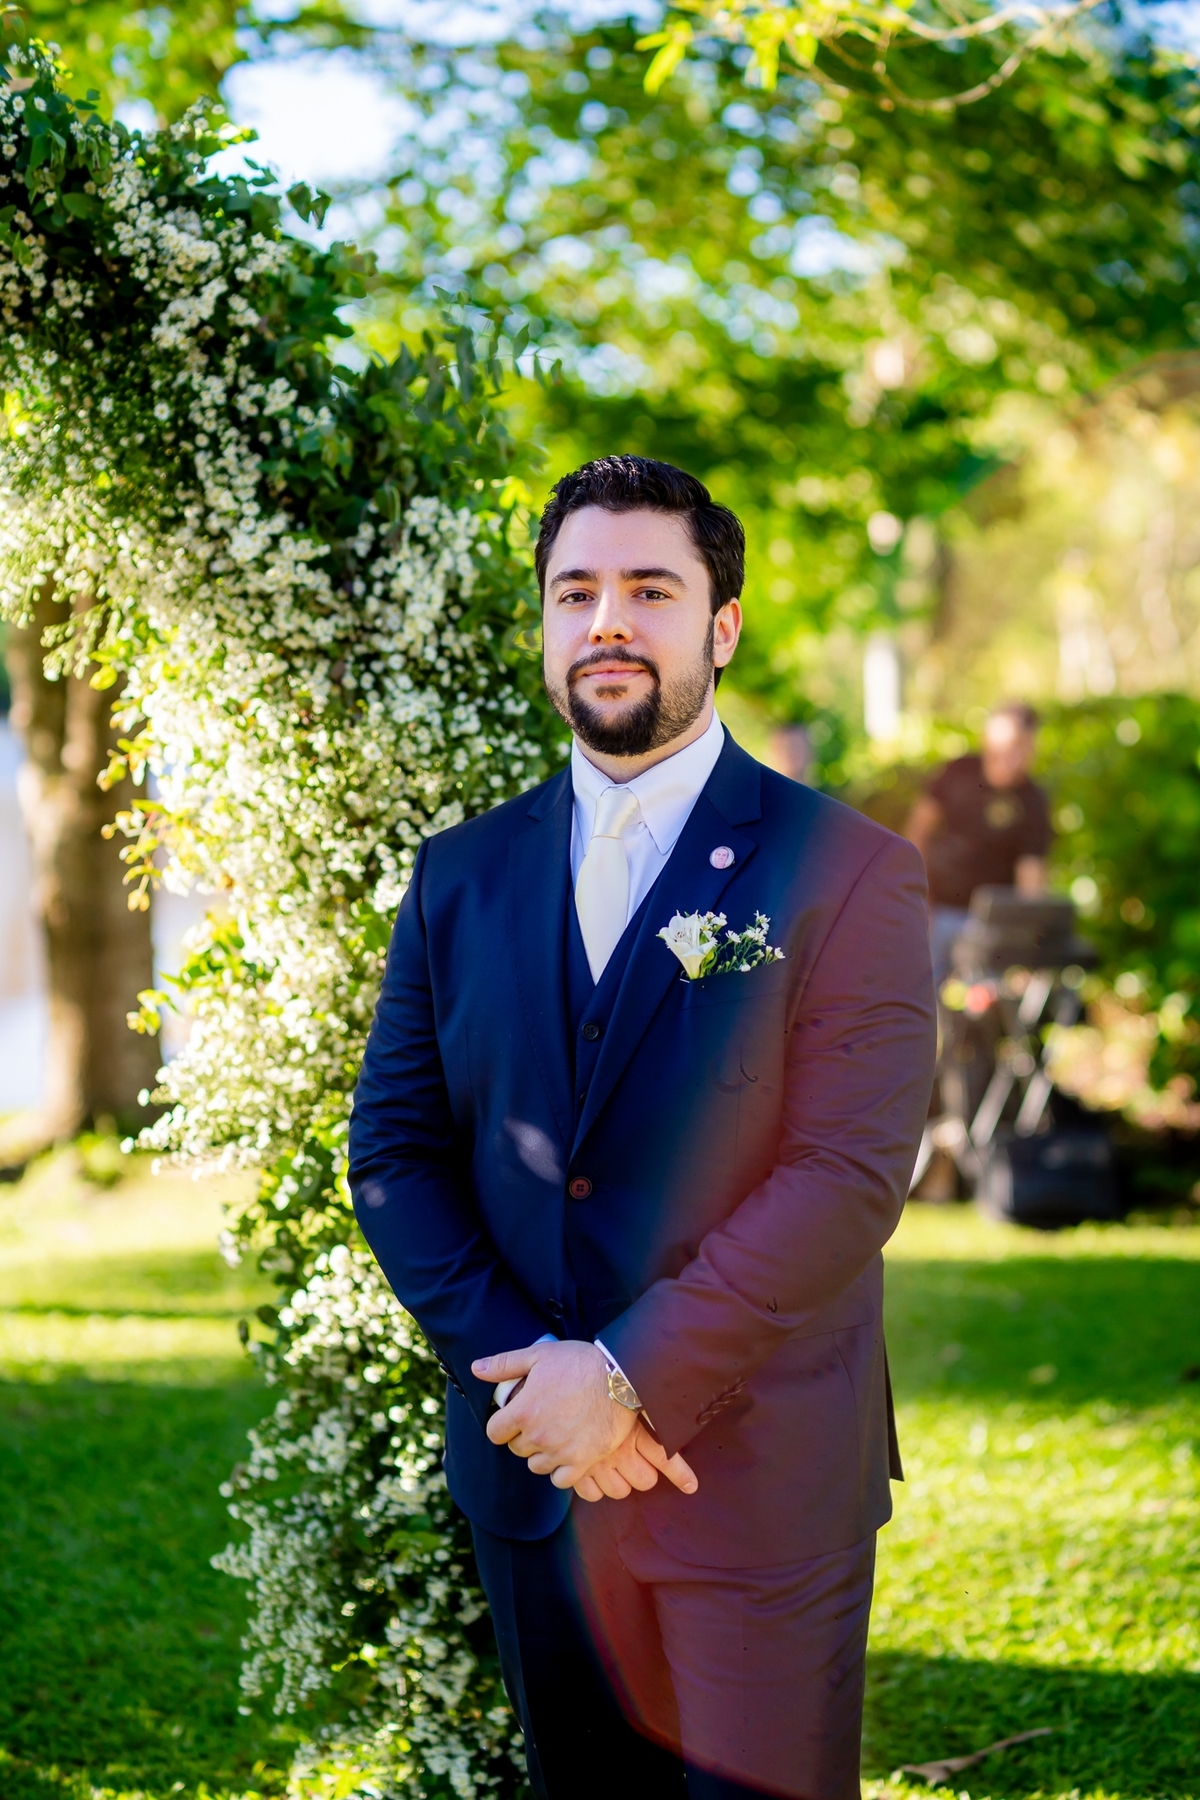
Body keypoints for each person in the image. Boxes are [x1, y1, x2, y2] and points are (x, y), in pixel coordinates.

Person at [349, 456, 937, 1800]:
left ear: (721, 627)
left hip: (763, 1480)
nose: (607, 621)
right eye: (576, 593)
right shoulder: (459, 874)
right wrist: (539, 1387)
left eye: (649, 590)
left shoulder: (853, 870)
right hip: (537, 1480)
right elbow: (394, 1153)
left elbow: (845, 1177)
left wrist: (622, 1376)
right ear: (545, 626)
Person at [906, 703, 1053, 993]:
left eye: (1021, 747)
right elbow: (918, 830)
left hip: (991, 926)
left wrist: (1029, 942)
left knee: (984, 1003)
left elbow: (1031, 876)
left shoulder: (1033, 801)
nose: (1012, 757)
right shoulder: (957, 773)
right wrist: (916, 896)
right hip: (936, 911)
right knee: (920, 996)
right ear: (988, 740)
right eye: (1006, 746)